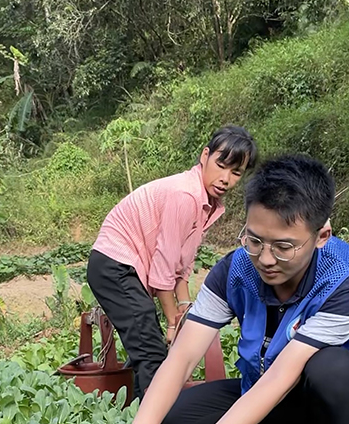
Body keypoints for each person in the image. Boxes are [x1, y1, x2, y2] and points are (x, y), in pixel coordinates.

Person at [98, 154, 349, 424]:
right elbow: (183, 356)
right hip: (273, 393)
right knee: (173, 416)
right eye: (255, 240)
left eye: (284, 247)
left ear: (321, 236)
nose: (266, 259)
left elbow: (286, 372)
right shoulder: (234, 270)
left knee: (331, 367)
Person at [87, 125, 258, 399]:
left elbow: (182, 266)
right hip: (114, 263)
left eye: (236, 173)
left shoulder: (206, 203)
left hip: (125, 267)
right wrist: (171, 323)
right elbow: (163, 268)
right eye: (221, 165)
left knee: (144, 342)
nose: (226, 178)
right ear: (205, 155)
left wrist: (183, 309)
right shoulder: (186, 195)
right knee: (151, 349)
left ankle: (132, 412)